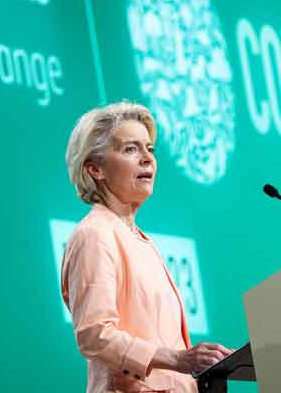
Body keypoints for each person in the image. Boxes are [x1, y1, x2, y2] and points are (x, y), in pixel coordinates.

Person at [61, 102, 231, 393]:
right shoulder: (95, 234)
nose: (147, 159)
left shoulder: (139, 239)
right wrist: (178, 359)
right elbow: (94, 334)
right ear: (95, 168)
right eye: (130, 149)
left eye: (149, 149)